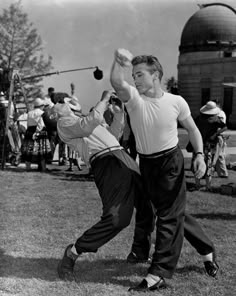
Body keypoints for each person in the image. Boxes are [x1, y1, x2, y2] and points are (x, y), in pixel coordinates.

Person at [110, 49, 218, 292]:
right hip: (146, 164)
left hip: (171, 163)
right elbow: (117, 81)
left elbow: (192, 130)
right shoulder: (134, 99)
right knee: (171, 212)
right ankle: (207, 250)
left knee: (168, 216)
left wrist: (199, 155)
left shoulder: (176, 102)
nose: (135, 79)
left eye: (139, 74)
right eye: (134, 75)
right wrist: (118, 63)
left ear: (156, 75)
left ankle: (158, 272)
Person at [53, 90, 154, 281]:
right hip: (106, 163)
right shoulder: (64, 123)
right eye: (57, 102)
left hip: (122, 156)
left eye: (61, 101)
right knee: (117, 218)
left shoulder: (88, 117)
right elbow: (86, 126)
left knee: (147, 207)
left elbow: (115, 134)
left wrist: (118, 113)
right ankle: (73, 252)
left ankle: (139, 252)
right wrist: (104, 100)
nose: (58, 104)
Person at [189, 101, 227, 190]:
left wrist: (215, 134)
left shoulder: (200, 118)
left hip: (200, 144)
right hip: (208, 145)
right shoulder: (215, 118)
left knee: (198, 163)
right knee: (208, 165)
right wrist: (216, 134)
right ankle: (207, 186)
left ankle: (199, 185)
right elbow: (225, 127)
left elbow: (192, 128)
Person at [21, 98, 52, 172]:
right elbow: (41, 124)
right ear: (41, 106)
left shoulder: (29, 113)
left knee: (28, 151)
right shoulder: (42, 113)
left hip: (29, 132)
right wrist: (37, 132)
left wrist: (30, 133)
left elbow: (28, 124)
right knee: (42, 151)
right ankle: (43, 168)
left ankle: (28, 168)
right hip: (40, 132)